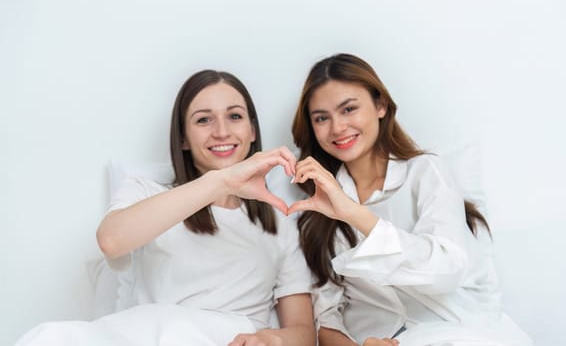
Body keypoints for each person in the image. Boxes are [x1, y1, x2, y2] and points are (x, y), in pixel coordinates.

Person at [15, 70, 315, 346]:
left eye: (234, 116)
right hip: (150, 333)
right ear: (183, 138)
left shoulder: (279, 223)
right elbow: (111, 240)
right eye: (203, 120)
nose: (221, 131)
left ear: (252, 130)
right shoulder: (146, 192)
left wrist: (271, 340)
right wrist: (220, 182)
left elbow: (303, 332)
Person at [288, 53, 532, 346]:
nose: (337, 127)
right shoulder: (316, 211)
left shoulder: (425, 173)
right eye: (321, 118)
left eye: (349, 109)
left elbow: (445, 269)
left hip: (453, 332)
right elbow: (327, 317)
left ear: (381, 106)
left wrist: (354, 213)